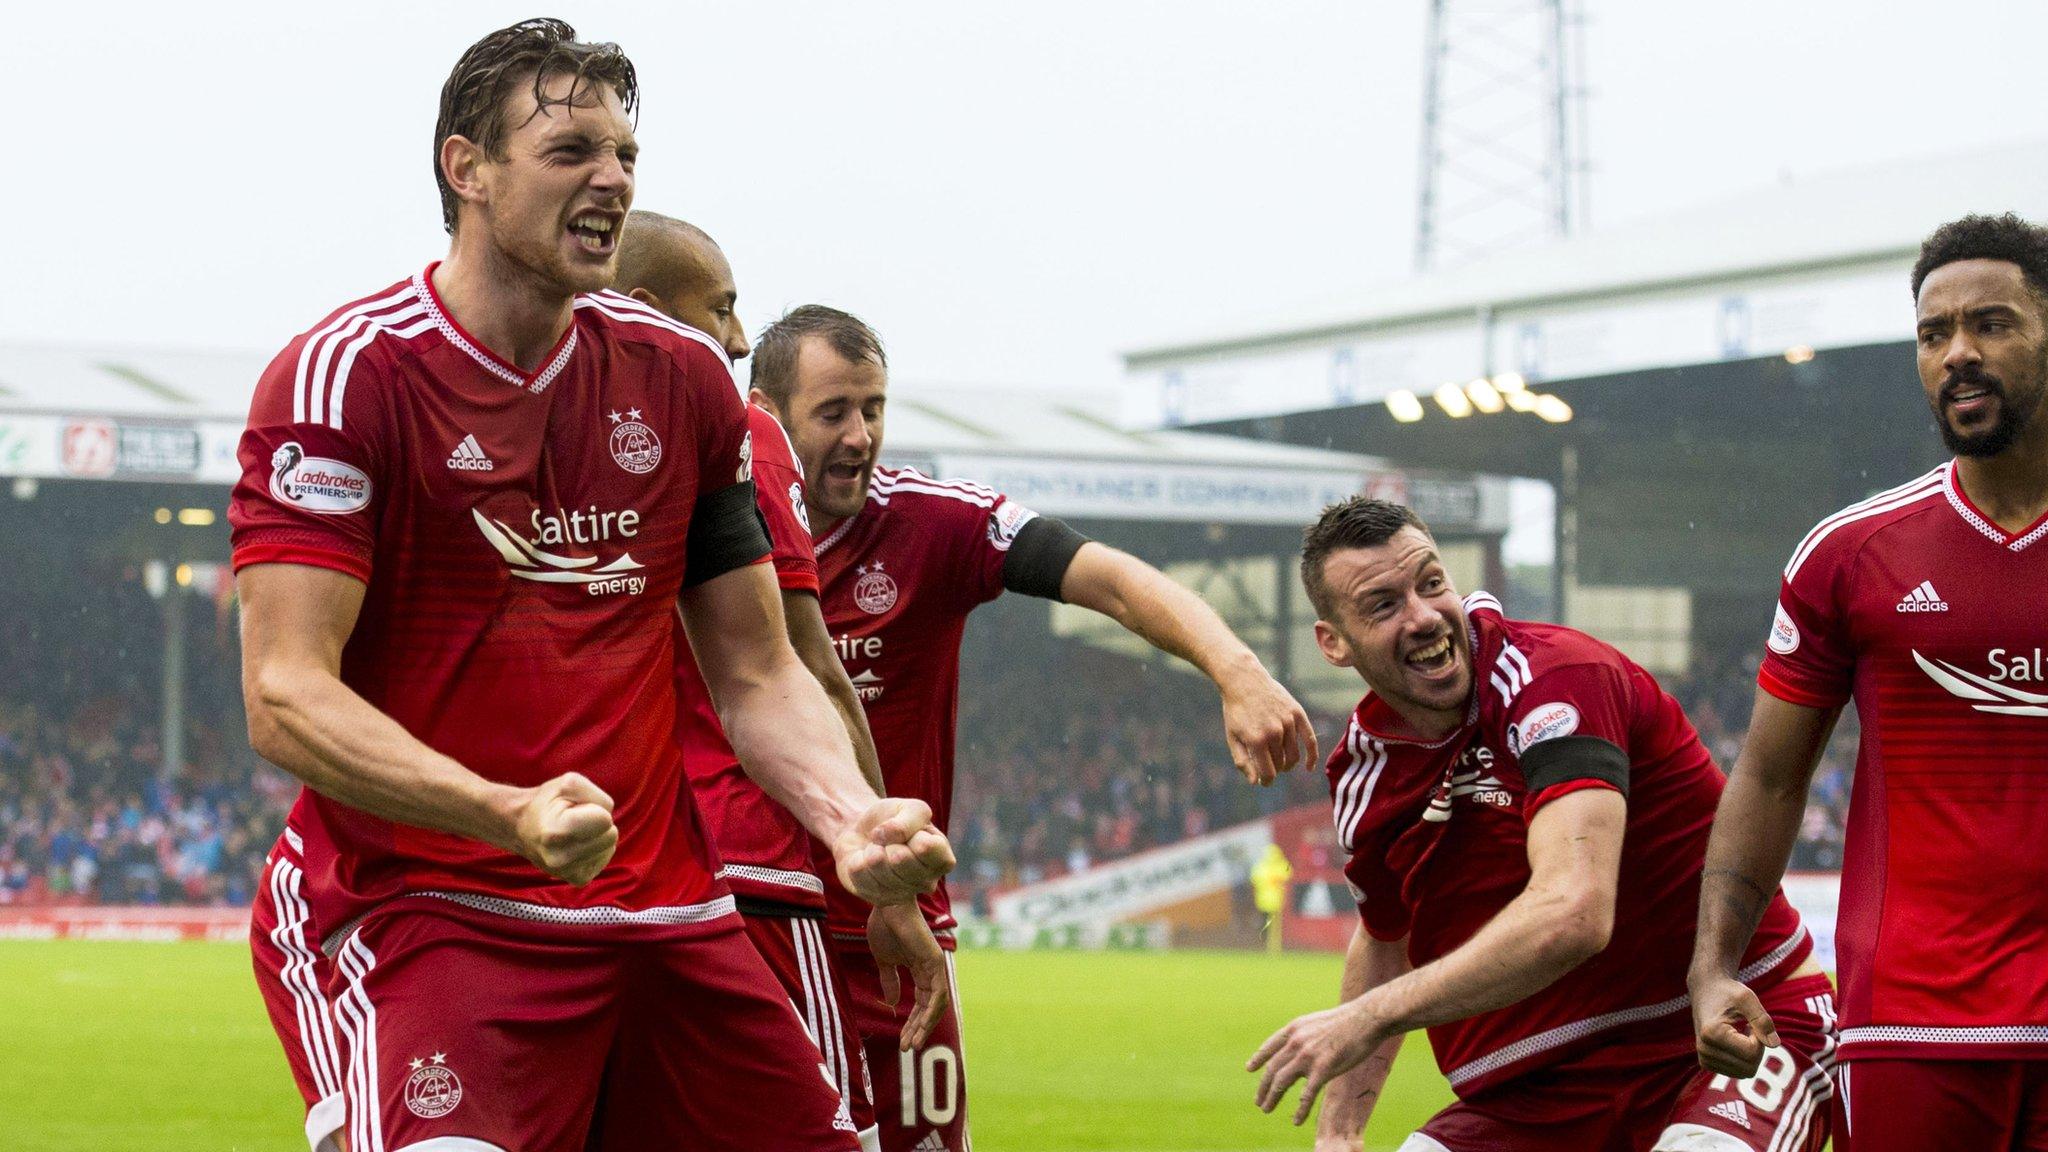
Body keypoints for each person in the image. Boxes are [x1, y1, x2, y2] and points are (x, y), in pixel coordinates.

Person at [230, 20, 950, 1152]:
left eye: (624, 155)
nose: (611, 178)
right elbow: (283, 693)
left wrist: (848, 819)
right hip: (428, 911)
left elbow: (757, 669)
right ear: (466, 170)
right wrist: (503, 813)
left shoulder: (681, 384)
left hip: (665, 915)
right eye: (571, 151)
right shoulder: (345, 378)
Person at [748, 304, 1318, 1152]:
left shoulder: (932, 523)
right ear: (764, 410)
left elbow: (1112, 580)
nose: (861, 435)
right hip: (754, 924)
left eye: (873, 408)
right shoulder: (712, 536)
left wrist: (1236, 670)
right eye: (834, 412)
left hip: (896, 931)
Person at [1251, 498, 1834, 1152]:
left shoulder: (1555, 679)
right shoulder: (1367, 771)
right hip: (1547, 1089)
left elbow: (1575, 911)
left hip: (1731, 1030)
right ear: (1333, 643)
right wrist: (1341, 1131)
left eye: (1431, 583)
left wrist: (1366, 1016)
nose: (1422, 616)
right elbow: (1388, 940)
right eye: (1384, 605)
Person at [1690, 212, 2048, 1151]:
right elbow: (1768, 777)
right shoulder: (1849, 556)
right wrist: (1713, 966)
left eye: (1993, 324)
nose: (1959, 354)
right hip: (1912, 1024)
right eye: (1935, 335)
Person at [613, 211, 953, 1151]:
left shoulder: (567, 437)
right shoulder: (741, 437)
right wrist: (895, 894)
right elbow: (804, 669)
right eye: (721, 310)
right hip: (751, 863)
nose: (734, 337)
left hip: (623, 879)